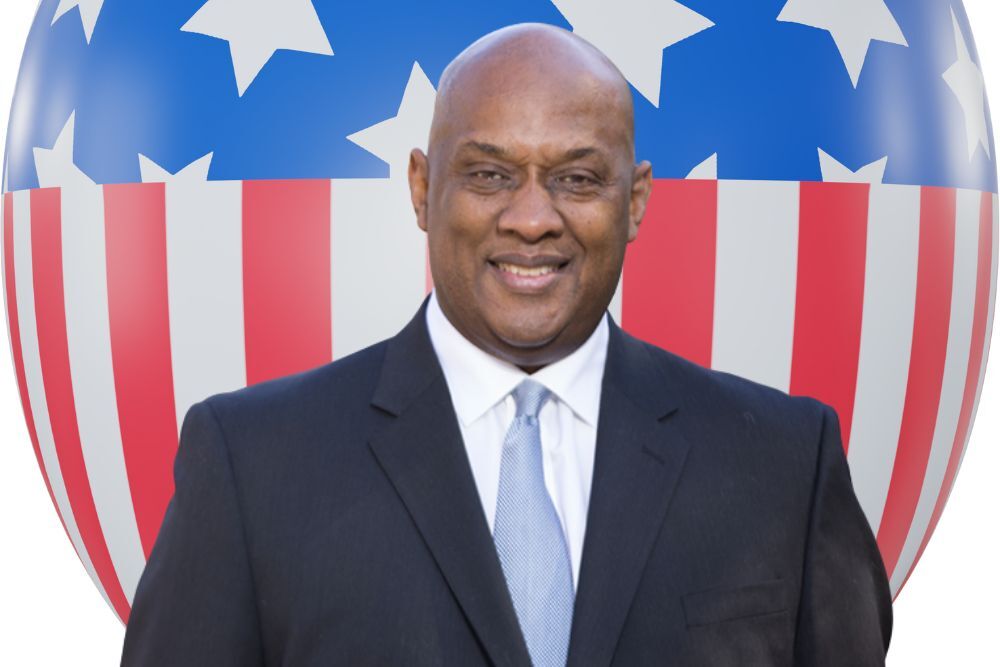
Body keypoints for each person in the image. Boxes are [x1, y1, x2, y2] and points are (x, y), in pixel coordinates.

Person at [121, 23, 892, 666]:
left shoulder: (784, 465)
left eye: (577, 179)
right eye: (489, 175)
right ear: (423, 188)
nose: (531, 219)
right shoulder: (252, 466)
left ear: (636, 200)